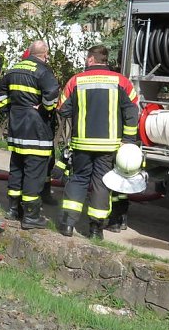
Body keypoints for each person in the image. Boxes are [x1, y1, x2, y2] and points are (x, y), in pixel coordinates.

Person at [57, 44, 139, 239]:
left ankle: (68, 225)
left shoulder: (76, 80)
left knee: (78, 180)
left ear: (90, 60)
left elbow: (62, 109)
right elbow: (133, 111)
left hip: (82, 143)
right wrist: (127, 140)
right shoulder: (122, 82)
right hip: (109, 145)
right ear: (105, 60)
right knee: (102, 184)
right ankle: (95, 230)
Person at [0, 40, 59, 229]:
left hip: (17, 127)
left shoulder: (14, 69)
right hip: (36, 129)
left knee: (17, 167)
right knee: (34, 172)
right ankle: (31, 215)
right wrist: (45, 109)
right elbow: (52, 93)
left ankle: (13, 209)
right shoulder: (43, 70)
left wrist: (7, 108)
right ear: (45, 53)